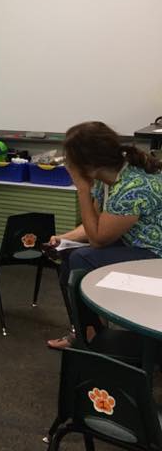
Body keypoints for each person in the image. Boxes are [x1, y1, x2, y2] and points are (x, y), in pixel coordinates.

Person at [46, 121, 162, 350]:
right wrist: (64, 237)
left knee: (81, 258)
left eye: (69, 160)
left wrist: (81, 188)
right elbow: (95, 226)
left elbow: (98, 239)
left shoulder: (132, 188)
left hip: (154, 256)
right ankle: (86, 330)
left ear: (88, 165)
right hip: (135, 244)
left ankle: (88, 335)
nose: (67, 165)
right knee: (68, 254)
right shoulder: (108, 178)